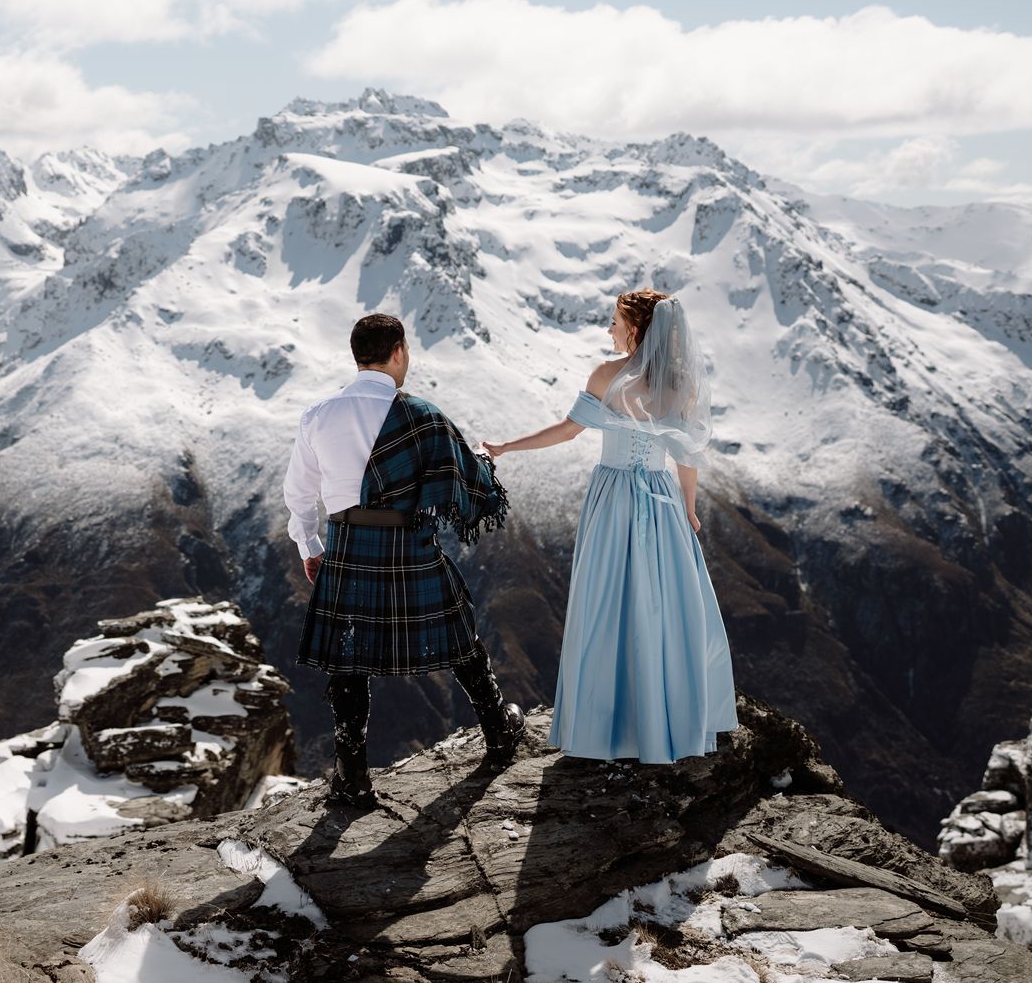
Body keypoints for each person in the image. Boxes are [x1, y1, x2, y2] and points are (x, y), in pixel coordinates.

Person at [482, 290, 738, 764]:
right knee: (664, 605)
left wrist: (507, 448)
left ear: (636, 329)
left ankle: (608, 726)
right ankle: (667, 721)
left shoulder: (607, 375)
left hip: (614, 495)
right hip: (661, 500)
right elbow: (687, 454)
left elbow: (567, 429)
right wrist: (688, 508)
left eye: (615, 322)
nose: (609, 330)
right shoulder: (681, 384)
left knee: (605, 601)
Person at [283, 312, 520, 808]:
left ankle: (351, 778)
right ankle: (499, 733)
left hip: (346, 548)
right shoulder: (425, 416)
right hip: (411, 545)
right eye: (406, 351)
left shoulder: (319, 416)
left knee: (348, 661)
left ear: (357, 355)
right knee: (458, 632)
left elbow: (299, 496)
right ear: (397, 353)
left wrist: (311, 549)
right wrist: (483, 460)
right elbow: (469, 481)